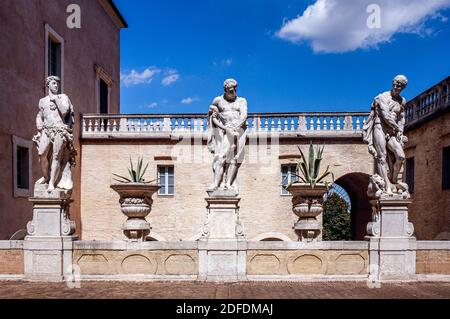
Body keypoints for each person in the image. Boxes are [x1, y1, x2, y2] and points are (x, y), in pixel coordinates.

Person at [363, 75, 409, 197]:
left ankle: (394, 181)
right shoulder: (382, 97)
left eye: (400, 85)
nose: (396, 86)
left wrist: (400, 131)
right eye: (395, 83)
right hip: (380, 127)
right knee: (381, 157)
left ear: (403, 87)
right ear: (392, 83)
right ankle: (387, 185)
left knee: (400, 156)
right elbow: (386, 116)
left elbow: (401, 118)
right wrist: (397, 127)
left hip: (392, 131)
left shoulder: (402, 101)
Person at [33, 76, 76, 192]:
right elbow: (39, 116)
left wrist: (55, 99)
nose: (56, 85)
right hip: (46, 130)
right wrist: (39, 126)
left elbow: (64, 111)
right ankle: (46, 176)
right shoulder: (42, 101)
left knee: (56, 156)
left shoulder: (63, 97)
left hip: (59, 130)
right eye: (53, 83)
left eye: (57, 83)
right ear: (48, 85)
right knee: (42, 153)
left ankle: (52, 182)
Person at [207, 79, 247, 192]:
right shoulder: (218, 100)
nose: (233, 92)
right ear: (225, 90)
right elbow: (212, 116)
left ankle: (229, 183)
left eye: (234, 90)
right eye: (230, 90)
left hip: (239, 132)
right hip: (225, 132)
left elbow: (244, 116)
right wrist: (223, 127)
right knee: (221, 157)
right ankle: (215, 184)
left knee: (234, 159)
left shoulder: (241, 101)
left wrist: (234, 128)